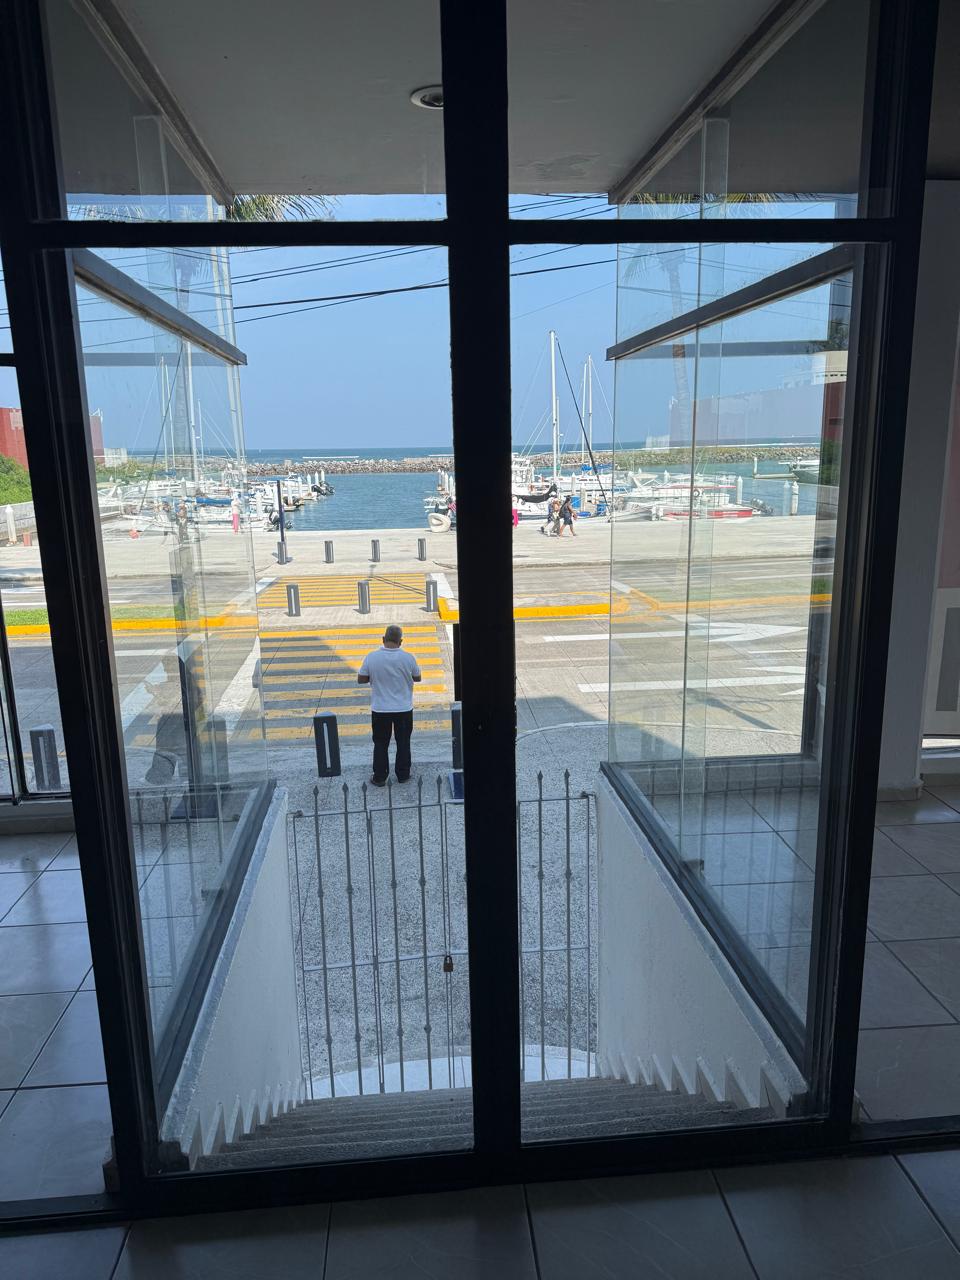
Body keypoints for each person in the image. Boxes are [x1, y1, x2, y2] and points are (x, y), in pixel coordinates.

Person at [358, 624, 422, 786]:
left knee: (380, 743)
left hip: (380, 709)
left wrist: (376, 676)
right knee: (403, 742)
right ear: (401, 641)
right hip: (404, 708)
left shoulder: (371, 657)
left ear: (383, 639)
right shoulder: (408, 658)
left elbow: (361, 679)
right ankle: (403, 775)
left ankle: (380, 777)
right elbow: (417, 677)